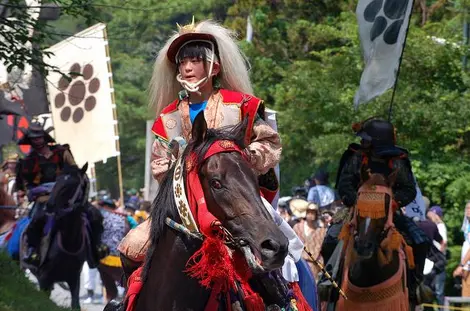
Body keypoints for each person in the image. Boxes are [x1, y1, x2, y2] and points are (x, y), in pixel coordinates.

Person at [324, 117, 429, 304]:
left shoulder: (399, 161)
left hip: (388, 211)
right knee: (332, 237)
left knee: (421, 240)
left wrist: (393, 202)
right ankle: (329, 282)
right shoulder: (355, 156)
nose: (363, 142)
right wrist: (356, 200)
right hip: (356, 210)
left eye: (367, 139)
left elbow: (409, 189)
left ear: (377, 143)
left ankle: (415, 287)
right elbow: (344, 183)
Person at [15, 121, 106, 266]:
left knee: (94, 215)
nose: (37, 140)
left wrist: (68, 186)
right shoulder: (28, 161)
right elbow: (26, 185)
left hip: (67, 196)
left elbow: (76, 173)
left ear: (44, 137)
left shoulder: (62, 152)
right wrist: (36, 191)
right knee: (36, 221)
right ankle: (34, 251)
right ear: (30, 140)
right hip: (43, 199)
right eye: (34, 138)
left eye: (39, 137)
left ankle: (98, 246)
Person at [293, 203, 327, 281]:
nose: (311, 214)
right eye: (309, 212)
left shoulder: (321, 231)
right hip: (297, 263)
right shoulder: (297, 227)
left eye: (313, 212)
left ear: (316, 214)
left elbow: (320, 249)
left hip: (312, 266)